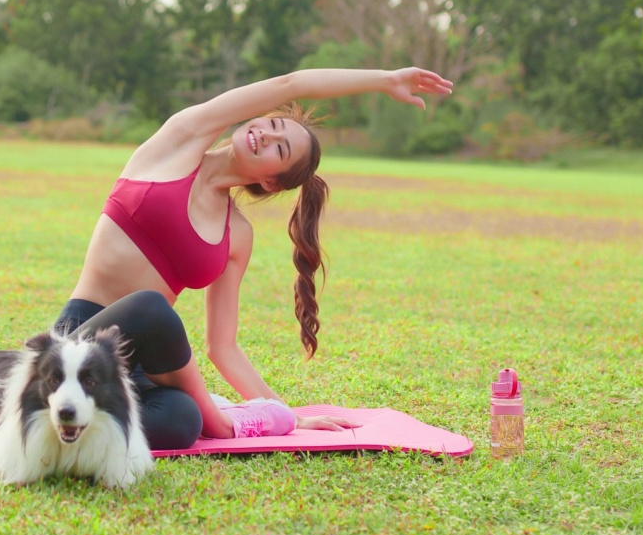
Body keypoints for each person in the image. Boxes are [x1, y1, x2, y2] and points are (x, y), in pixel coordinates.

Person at [51, 66, 454, 449]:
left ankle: (71, 422)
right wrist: (384, 80)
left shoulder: (237, 234)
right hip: (82, 335)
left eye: (279, 149)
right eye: (273, 125)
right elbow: (291, 84)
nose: (265, 134)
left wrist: (286, 415)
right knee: (152, 309)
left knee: (183, 421)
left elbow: (222, 347)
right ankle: (217, 420)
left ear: (270, 181)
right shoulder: (180, 139)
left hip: (138, 369)